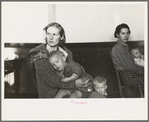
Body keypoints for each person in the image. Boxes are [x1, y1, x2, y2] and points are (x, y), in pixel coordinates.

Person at [28, 22, 89, 98]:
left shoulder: (66, 52)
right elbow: (50, 80)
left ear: (61, 36)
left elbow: (73, 69)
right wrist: (75, 84)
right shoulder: (38, 53)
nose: (50, 38)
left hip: (69, 91)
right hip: (49, 95)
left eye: (54, 34)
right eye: (48, 34)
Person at [111, 23, 144, 88]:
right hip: (129, 77)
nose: (126, 36)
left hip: (134, 74)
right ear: (117, 34)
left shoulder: (125, 46)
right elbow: (129, 66)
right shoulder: (118, 48)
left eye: (127, 33)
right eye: (123, 33)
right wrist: (144, 70)